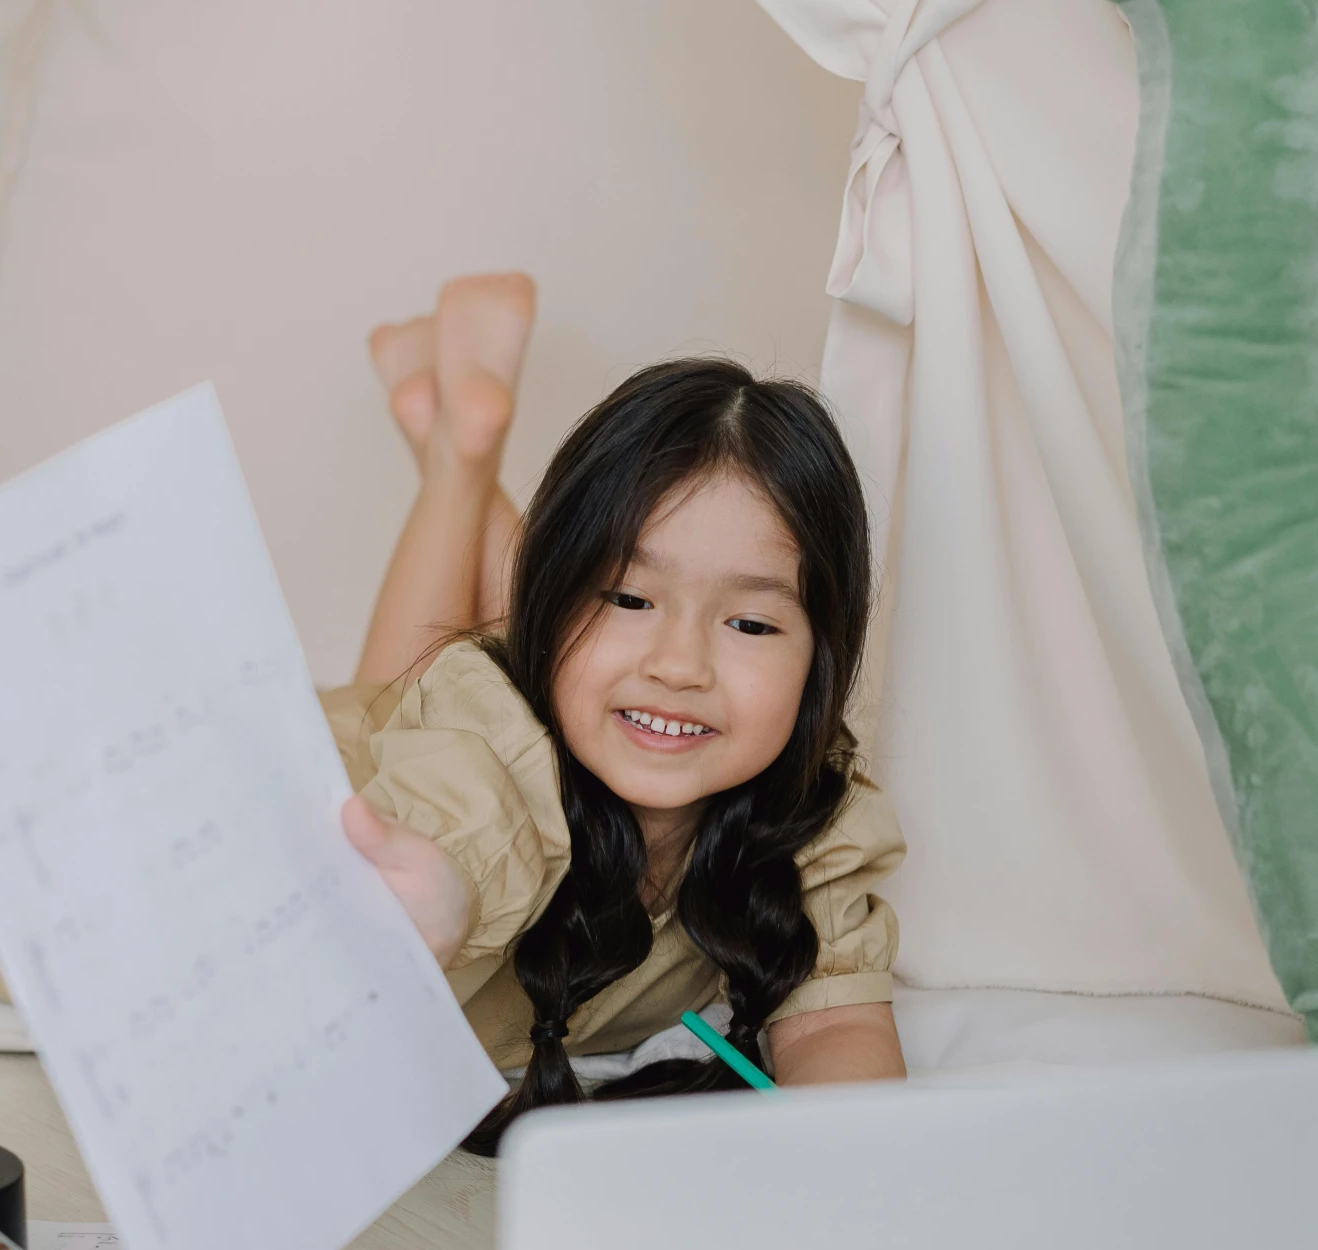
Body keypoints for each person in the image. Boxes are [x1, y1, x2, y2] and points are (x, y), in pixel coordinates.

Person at [334, 274, 907, 1152]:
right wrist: (442, 891)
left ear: (820, 663)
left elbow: (837, 1030)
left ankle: (457, 447)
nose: (681, 665)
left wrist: (856, 1161)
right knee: (407, 680)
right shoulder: (484, 738)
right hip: (349, 768)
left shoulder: (811, 823)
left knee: (565, 669)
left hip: (533, 685)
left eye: (750, 622)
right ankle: (458, 457)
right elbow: (456, 823)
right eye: (627, 597)